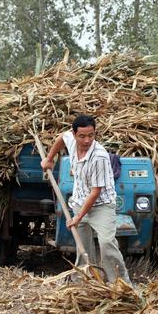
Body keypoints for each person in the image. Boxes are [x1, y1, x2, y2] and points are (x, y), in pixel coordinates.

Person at [41, 115, 132, 285]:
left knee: (106, 243)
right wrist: (49, 158)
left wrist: (78, 217)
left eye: (91, 135)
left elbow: (95, 192)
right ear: (74, 134)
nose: (87, 140)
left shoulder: (99, 156)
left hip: (101, 205)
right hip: (79, 201)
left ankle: (120, 284)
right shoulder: (70, 140)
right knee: (83, 248)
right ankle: (84, 281)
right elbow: (61, 137)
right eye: (82, 136)